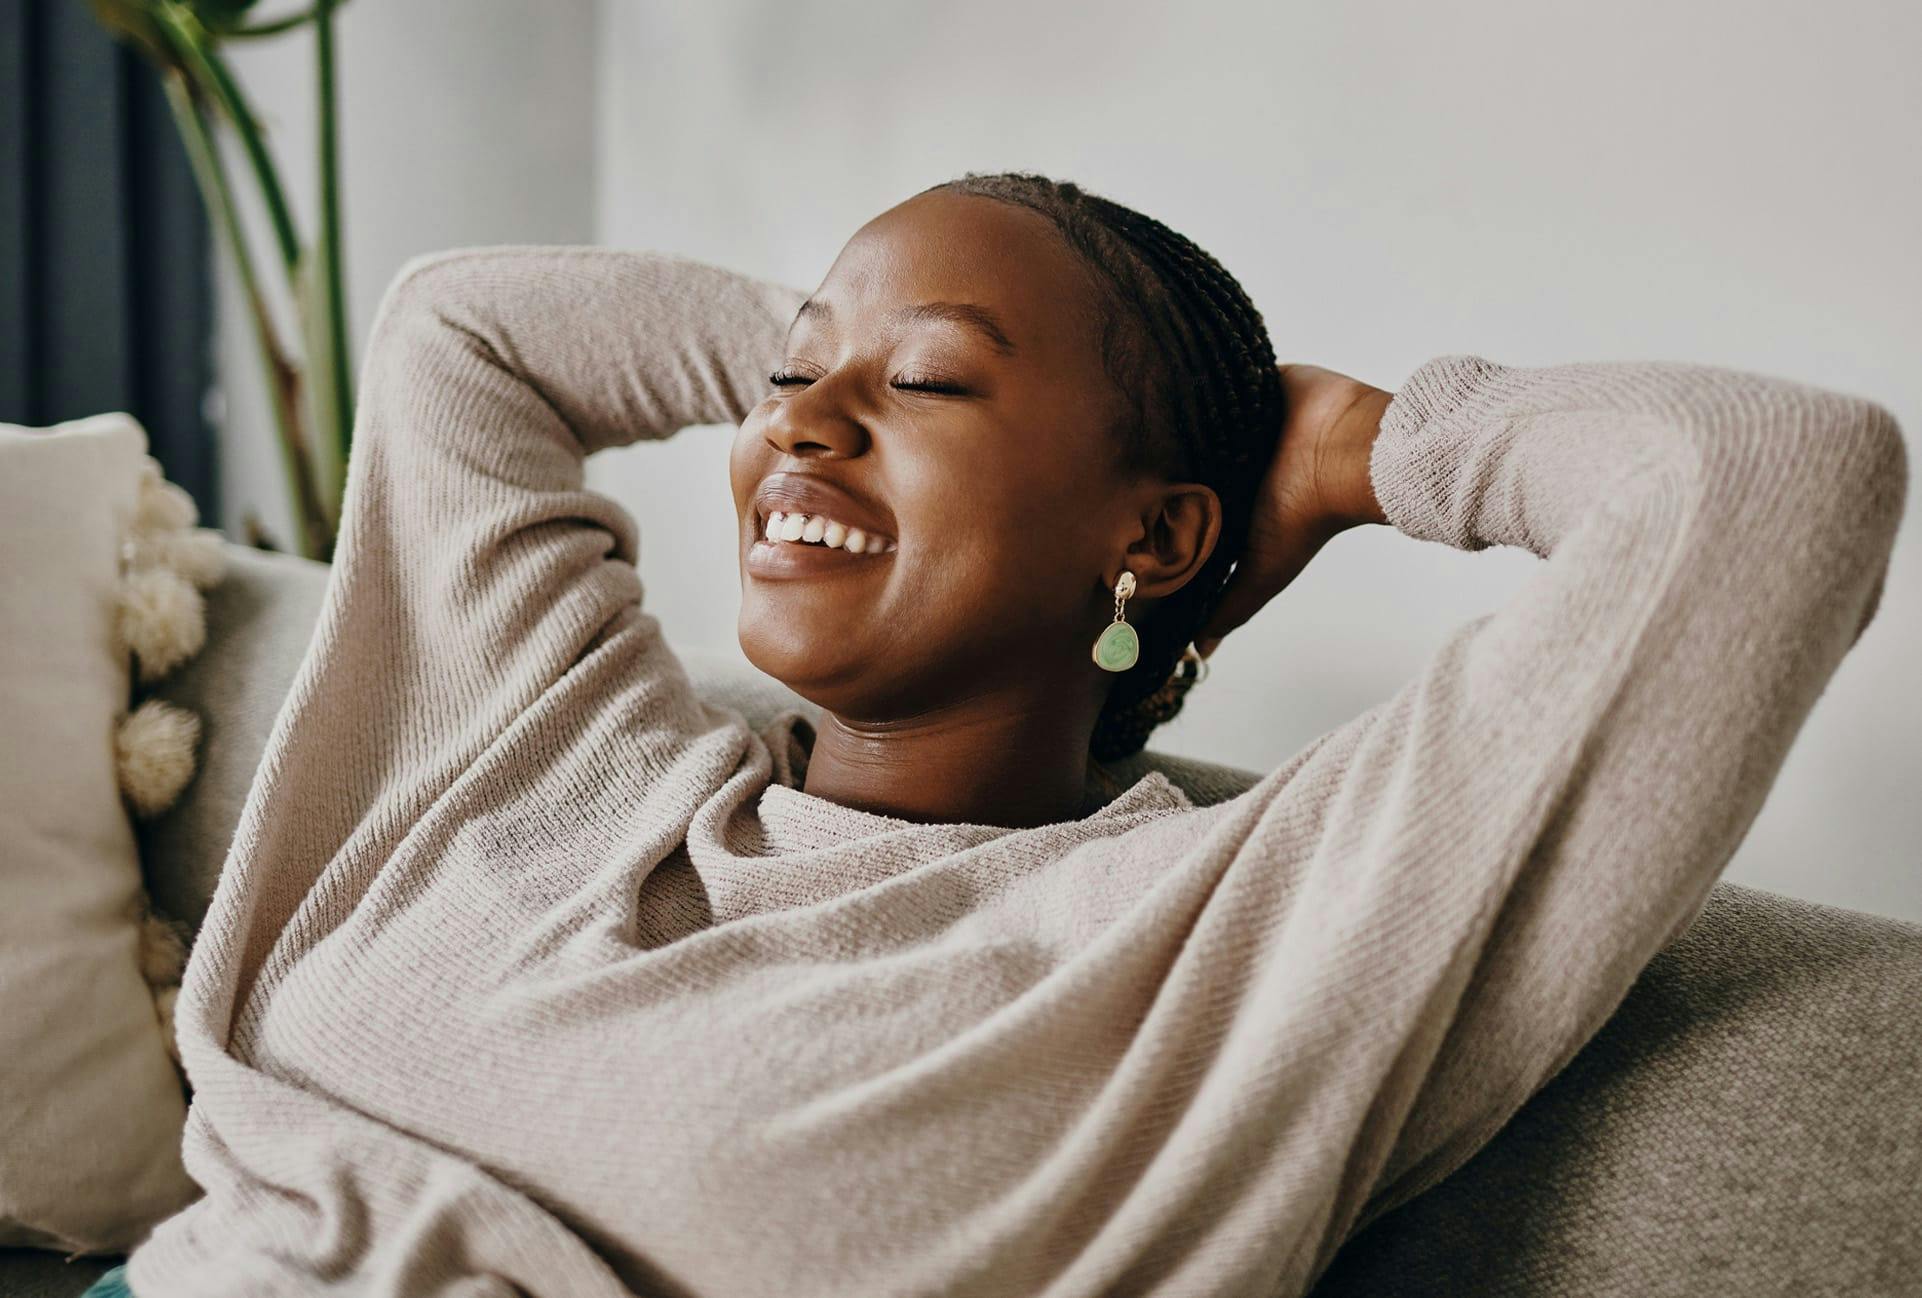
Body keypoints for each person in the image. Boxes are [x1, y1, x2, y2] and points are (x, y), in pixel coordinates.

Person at [116, 171, 1905, 1297]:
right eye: (780, 385)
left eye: (933, 383)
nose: (794, 429)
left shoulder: (1227, 946)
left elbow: (1770, 479)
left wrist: (1351, 451)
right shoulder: (560, 750)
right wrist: (847, 355)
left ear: (1157, 533)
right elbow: (465, 331)